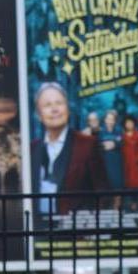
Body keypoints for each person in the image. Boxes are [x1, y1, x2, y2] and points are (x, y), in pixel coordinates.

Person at [30, 83, 108, 217]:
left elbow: (103, 192)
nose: (54, 109)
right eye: (47, 105)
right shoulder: (32, 149)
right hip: (39, 231)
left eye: (59, 103)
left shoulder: (87, 144)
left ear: (68, 108)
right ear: (38, 114)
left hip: (75, 232)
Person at [121, 115, 138, 210]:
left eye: (131, 122)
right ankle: (131, 205)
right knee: (129, 185)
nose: (129, 124)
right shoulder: (122, 136)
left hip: (136, 165)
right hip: (126, 165)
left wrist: (137, 159)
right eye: (127, 123)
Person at [100, 109, 123, 208]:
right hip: (103, 162)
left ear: (115, 120)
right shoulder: (100, 131)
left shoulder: (119, 130)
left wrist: (114, 144)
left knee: (117, 185)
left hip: (116, 162)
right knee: (103, 186)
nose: (110, 121)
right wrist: (103, 145)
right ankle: (102, 210)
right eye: (108, 119)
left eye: (112, 119)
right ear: (105, 120)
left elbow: (122, 143)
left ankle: (116, 209)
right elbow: (96, 145)